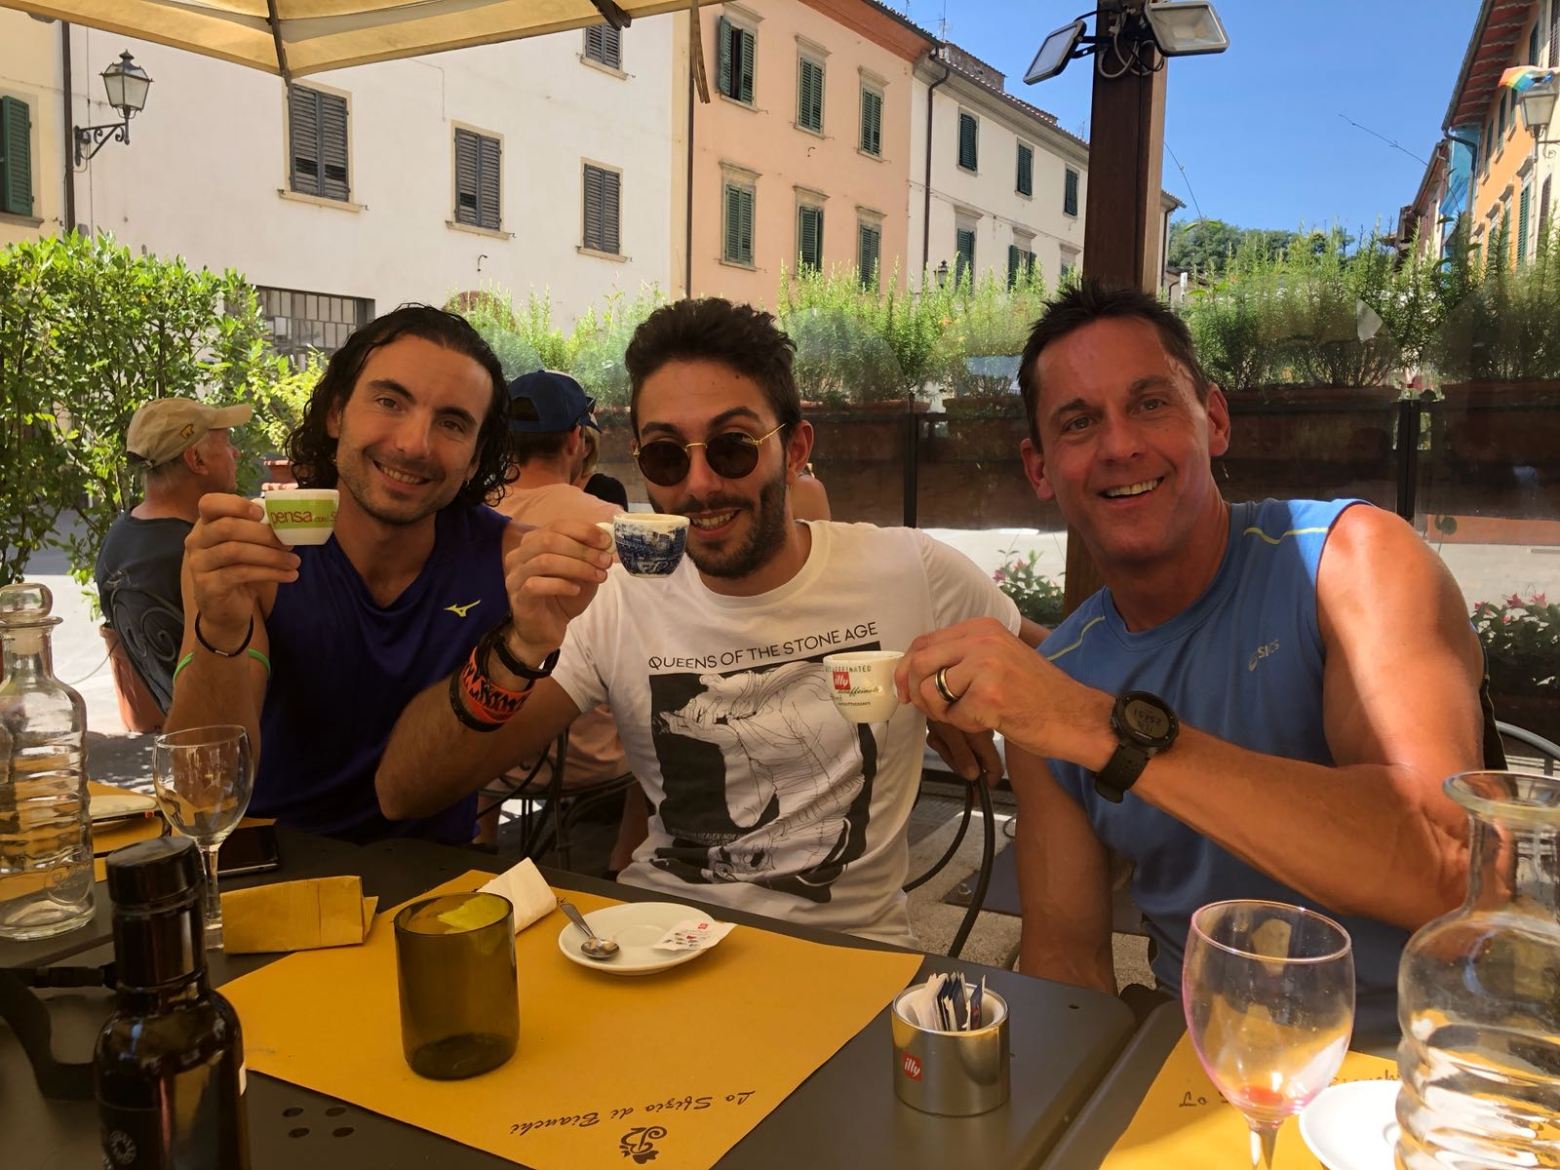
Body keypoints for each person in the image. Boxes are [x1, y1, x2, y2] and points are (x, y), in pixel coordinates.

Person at [897, 280, 1483, 1036]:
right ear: (1039, 469)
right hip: (1202, 1068)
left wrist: (1104, 730)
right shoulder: (1065, 679)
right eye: (1078, 423)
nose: (1119, 445)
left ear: (1213, 419)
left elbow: (1444, 861)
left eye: (1150, 403)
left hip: (1420, 1069)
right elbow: (1069, 970)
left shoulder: (1349, 561)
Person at [377, 297, 1044, 944]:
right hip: (661, 949)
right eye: (667, 455)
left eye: (731, 447)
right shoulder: (614, 596)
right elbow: (408, 790)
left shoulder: (909, 572)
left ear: (796, 446)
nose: (697, 485)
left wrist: (960, 699)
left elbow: (1060, 675)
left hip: (848, 965)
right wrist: (519, 647)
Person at [165, 305, 519, 844]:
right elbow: (201, 793)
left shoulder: (507, 560)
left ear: (474, 459)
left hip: (435, 890)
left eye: (452, 423)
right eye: (389, 402)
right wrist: (220, 626)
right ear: (336, 415)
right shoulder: (252, 555)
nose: (414, 444)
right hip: (276, 875)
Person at [492, 370, 643, 869]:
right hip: (592, 759)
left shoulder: (463, 521)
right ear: (578, 438)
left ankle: (474, 843)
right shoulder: (611, 526)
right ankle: (624, 862)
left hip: (480, 758)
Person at [95, 398, 252, 714]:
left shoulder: (118, 539)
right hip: (237, 741)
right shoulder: (199, 556)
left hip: (187, 736)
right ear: (196, 459)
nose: (236, 453)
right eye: (227, 442)